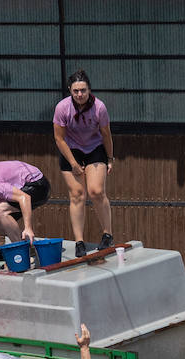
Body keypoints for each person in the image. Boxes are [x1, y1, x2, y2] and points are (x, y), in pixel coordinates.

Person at [53, 69, 115, 258]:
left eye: (83, 90)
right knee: (77, 194)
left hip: (94, 148)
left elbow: (106, 134)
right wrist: (72, 163)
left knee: (96, 191)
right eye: (76, 91)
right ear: (70, 91)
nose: (80, 95)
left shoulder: (99, 107)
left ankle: (107, 233)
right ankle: (79, 241)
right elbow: (59, 138)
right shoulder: (62, 108)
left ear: (89, 90)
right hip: (70, 149)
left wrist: (110, 158)